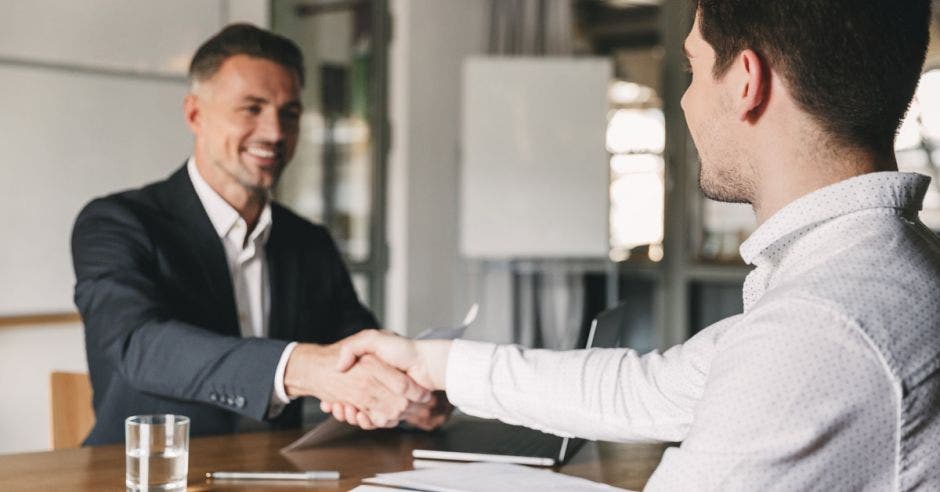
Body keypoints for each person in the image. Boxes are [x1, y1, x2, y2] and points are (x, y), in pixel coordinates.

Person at [325, 1, 940, 489]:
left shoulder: (824, 328)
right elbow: (652, 389)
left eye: (694, 69)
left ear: (746, 81)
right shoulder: (873, 266)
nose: (684, 98)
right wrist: (430, 363)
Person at [71, 24, 448, 446]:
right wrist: (301, 367)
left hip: (280, 469)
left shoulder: (309, 242)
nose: (274, 132)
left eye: (289, 113)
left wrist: (406, 395)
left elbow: (357, 346)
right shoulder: (116, 223)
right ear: (195, 114)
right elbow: (138, 344)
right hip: (145, 472)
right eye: (252, 109)